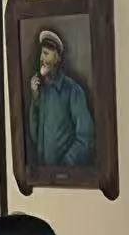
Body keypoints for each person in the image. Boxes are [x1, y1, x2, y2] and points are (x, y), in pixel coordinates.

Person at [27, 28, 94, 168]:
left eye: (46, 54)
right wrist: (35, 98)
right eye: (41, 53)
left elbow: (86, 137)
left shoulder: (73, 90)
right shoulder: (42, 91)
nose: (42, 59)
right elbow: (34, 135)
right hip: (43, 176)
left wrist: (67, 163)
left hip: (67, 176)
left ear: (57, 58)